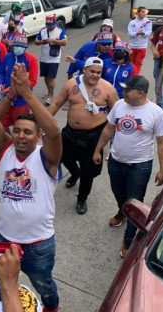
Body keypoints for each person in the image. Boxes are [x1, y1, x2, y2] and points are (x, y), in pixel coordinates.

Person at [0, 63, 62, 312]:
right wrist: (11, 95)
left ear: (37, 136)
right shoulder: (6, 149)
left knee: (44, 285)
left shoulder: (46, 156)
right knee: (0, 282)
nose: (20, 136)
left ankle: (52, 307)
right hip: (3, 237)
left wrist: (28, 93)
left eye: (28, 132)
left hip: (37, 244)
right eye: (16, 130)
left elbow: (55, 132)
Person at [93, 75, 163, 258]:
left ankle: (129, 240)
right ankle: (121, 212)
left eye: (128, 90)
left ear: (140, 93)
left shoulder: (156, 113)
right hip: (116, 161)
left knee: (135, 203)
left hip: (139, 166)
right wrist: (98, 150)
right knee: (119, 194)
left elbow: (162, 143)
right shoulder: (119, 105)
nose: (124, 92)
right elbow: (108, 130)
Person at [47, 57, 118, 215]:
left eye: (98, 72)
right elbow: (57, 103)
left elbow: (116, 114)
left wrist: (114, 139)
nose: (95, 75)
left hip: (94, 134)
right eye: (92, 71)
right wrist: (42, 124)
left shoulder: (108, 89)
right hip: (71, 131)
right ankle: (74, 172)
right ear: (84, 70)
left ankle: (82, 198)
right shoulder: (72, 84)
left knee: (88, 169)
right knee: (63, 156)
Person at [0, 36, 38, 130]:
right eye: (16, 46)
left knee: (20, 127)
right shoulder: (7, 57)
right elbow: (1, 72)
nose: (18, 48)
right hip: (7, 98)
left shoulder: (31, 60)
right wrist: (0, 83)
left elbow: (33, 80)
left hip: (21, 101)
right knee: (2, 125)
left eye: (21, 47)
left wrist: (17, 89)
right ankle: (8, 143)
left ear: (25, 48)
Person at [34, 15, 68, 105]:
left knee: (51, 77)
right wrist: (43, 42)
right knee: (46, 77)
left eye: (51, 25)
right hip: (44, 58)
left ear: (55, 23)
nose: (49, 27)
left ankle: (50, 95)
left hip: (54, 59)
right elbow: (36, 41)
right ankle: (49, 91)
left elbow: (65, 42)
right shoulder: (43, 30)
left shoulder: (60, 30)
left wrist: (53, 40)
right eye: (48, 25)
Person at [128, 6, 153, 73]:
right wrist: (136, 34)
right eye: (142, 12)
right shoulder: (132, 22)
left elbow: (149, 32)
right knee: (132, 62)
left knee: (138, 62)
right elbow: (130, 33)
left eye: (145, 12)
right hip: (132, 45)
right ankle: (132, 75)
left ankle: (135, 76)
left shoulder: (148, 22)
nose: (144, 13)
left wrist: (143, 33)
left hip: (142, 46)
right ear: (138, 13)